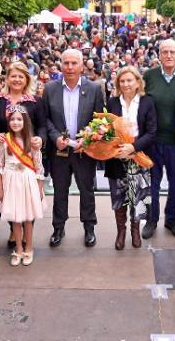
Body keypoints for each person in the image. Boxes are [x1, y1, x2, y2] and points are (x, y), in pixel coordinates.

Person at [44, 48, 104, 247]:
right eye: (66, 63)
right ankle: (58, 228)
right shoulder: (50, 88)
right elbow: (45, 120)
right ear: (60, 64)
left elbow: (99, 120)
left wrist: (87, 140)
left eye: (73, 63)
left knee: (87, 190)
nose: (69, 67)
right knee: (60, 191)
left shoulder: (94, 89)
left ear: (82, 66)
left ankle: (89, 227)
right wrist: (54, 138)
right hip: (59, 150)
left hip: (84, 151)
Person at [0, 62, 45, 243]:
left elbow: (42, 126)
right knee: (10, 197)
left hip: (28, 157)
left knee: (28, 196)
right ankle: (14, 229)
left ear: (27, 79)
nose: (17, 80)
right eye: (13, 76)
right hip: (7, 156)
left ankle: (28, 234)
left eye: (21, 76)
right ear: (7, 78)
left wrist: (40, 139)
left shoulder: (35, 101)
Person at [142, 39, 175, 239]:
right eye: (165, 51)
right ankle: (151, 220)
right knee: (152, 183)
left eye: (173, 51)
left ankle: (171, 219)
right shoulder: (149, 76)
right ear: (159, 54)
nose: (169, 55)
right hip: (153, 141)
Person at [105, 66, 157, 250]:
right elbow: (106, 130)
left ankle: (135, 230)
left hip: (138, 156)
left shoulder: (147, 102)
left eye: (130, 80)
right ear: (118, 83)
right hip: (116, 158)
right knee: (119, 198)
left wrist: (133, 147)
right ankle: (121, 231)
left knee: (138, 197)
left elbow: (152, 132)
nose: (126, 84)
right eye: (122, 81)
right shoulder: (112, 102)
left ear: (137, 82)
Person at [0, 105, 46, 266]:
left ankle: (29, 247)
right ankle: (18, 248)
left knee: (28, 219)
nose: (15, 122)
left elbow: (38, 167)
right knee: (15, 219)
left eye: (19, 119)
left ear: (25, 121)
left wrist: (39, 188)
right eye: (12, 119)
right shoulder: (4, 141)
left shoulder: (32, 141)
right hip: (10, 181)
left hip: (27, 181)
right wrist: (0, 188)